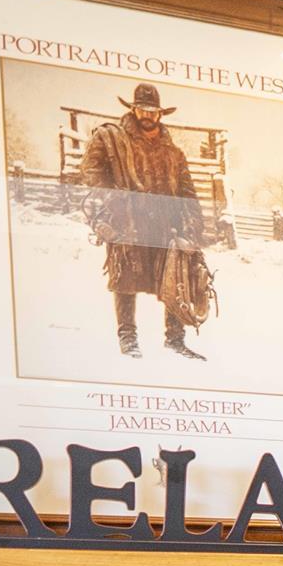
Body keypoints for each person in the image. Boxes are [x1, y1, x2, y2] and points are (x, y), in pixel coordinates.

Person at [73, 82, 214, 361]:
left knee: (176, 278)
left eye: (153, 111)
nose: (147, 115)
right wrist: (114, 201)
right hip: (129, 220)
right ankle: (128, 339)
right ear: (133, 109)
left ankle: (175, 340)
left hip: (166, 224)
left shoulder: (174, 153)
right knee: (125, 278)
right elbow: (91, 170)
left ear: (160, 114)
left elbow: (188, 193)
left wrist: (194, 227)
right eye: (142, 109)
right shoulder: (113, 139)